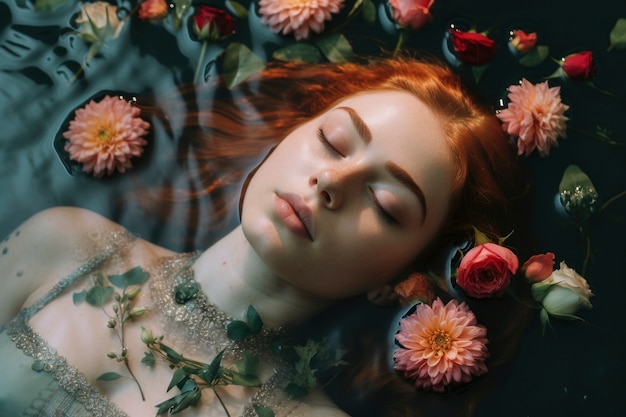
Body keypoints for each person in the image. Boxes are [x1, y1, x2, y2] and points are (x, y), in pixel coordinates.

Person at [0, 56, 528, 417]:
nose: (332, 182)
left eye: (386, 204)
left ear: (406, 278)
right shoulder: (64, 244)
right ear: (289, 134)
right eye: (333, 140)